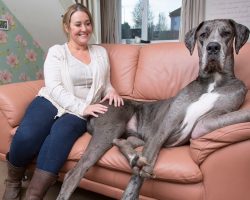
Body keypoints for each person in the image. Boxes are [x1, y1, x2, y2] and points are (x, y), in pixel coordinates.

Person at [3, 3, 123, 200]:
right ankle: (13, 180)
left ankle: (34, 195)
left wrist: (112, 91)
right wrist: (83, 106)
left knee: (60, 137)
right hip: (52, 101)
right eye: (78, 24)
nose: (84, 29)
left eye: (87, 23)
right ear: (67, 27)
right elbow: (55, 88)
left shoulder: (101, 53)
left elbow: (105, 83)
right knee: (27, 136)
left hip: (80, 111)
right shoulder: (57, 52)